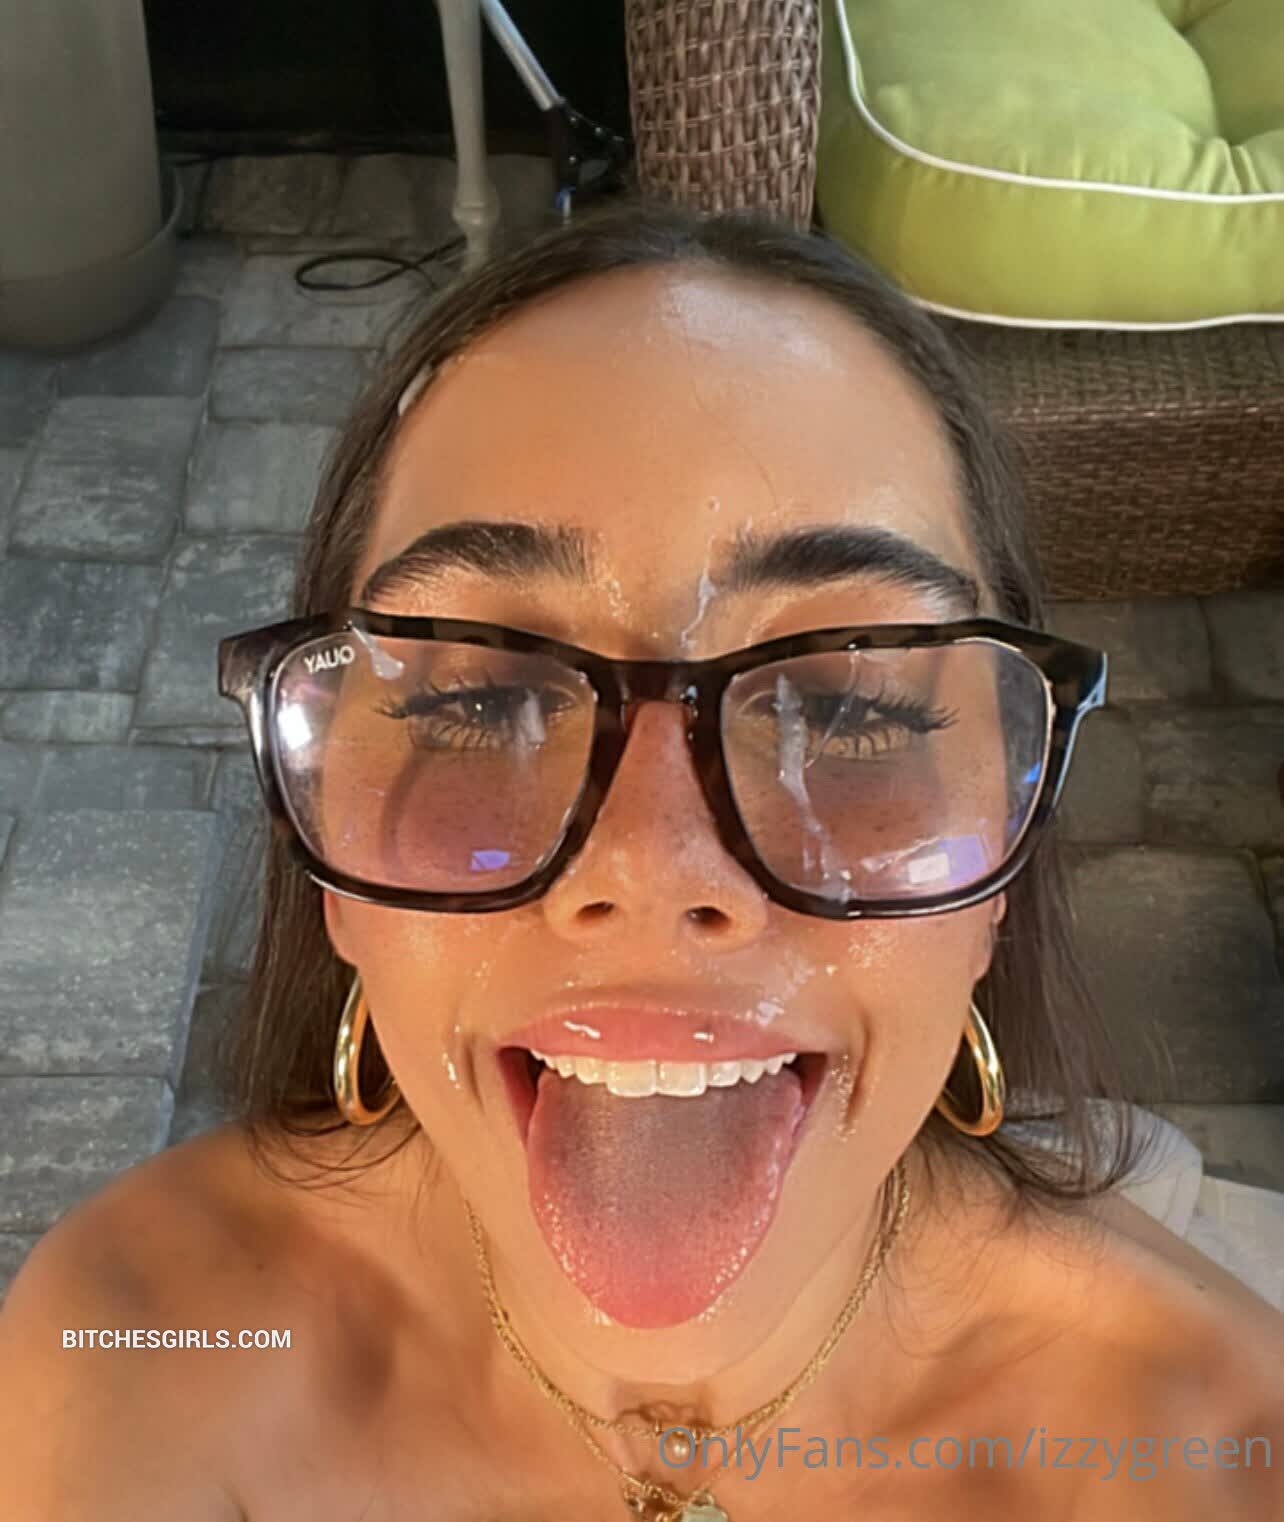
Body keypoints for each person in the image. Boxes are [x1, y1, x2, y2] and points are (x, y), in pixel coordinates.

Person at [2, 200, 1280, 1522]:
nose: (654, 864)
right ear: (328, 866)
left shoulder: (1224, 1453)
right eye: (480, 700)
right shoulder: (135, 1350)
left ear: (1002, 875)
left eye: (846, 707)